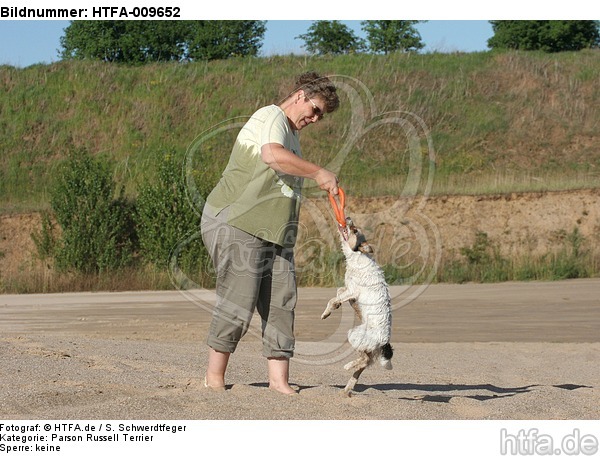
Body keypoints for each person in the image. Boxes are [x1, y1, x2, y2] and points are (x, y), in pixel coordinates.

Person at [201, 71, 340, 395]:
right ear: (300, 96)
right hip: (237, 221)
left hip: (275, 235)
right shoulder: (271, 116)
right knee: (239, 299)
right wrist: (318, 171)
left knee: (281, 302)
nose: (316, 119)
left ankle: (279, 382)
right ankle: (213, 379)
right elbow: (271, 156)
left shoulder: (294, 139)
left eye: (321, 115)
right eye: (315, 110)